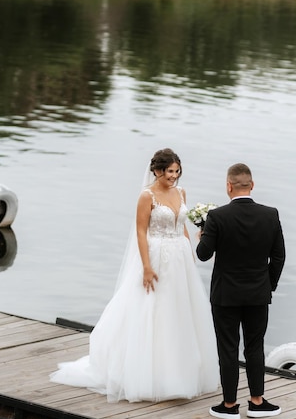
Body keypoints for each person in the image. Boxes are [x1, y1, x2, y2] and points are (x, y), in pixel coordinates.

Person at [50, 148, 219, 403]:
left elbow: (181, 224)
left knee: (179, 311)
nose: (174, 176)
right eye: (169, 172)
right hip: (156, 255)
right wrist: (147, 267)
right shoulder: (146, 196)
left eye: (177, 171)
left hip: (179, 258)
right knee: (154, 310)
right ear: (157, 171)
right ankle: (149, 374)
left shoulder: (181, 192)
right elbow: (141, 232)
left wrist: (190, 255)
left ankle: (180, 370)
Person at [196, 163, 285, 419]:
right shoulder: (270, 214)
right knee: (255, 347)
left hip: (225, 295)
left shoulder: (217, 217)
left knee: (228, 348)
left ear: (228, 186)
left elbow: (203, 255)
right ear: (252, 185)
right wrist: (269, 285)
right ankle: (257, 402)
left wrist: (203, 235)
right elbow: (279, 256)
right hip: (258, 294)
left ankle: (229, 405)